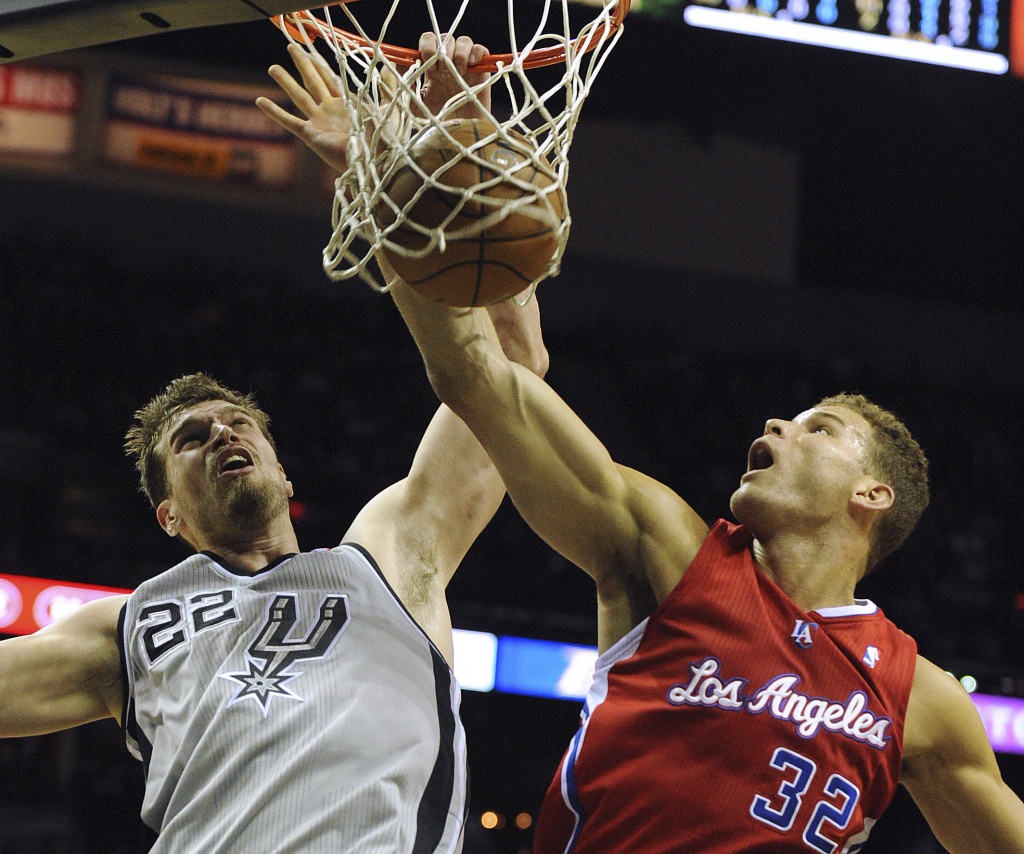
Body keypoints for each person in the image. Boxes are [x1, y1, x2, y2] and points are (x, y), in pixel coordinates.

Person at [260, 32, 1024, 853]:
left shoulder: (919, 699)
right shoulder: (668, 551)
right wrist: (394, 180)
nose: (776, 426)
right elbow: (480, 374)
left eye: (818, 429)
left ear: (871, 495)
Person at [0, 37, 547, 854]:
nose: (222, 431)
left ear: (283, 467)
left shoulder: (393, 554)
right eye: (193, 439)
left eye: (238, 423)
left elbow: (512, 369)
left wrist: (436, 145)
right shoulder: (128, 628)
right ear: (168, 517)